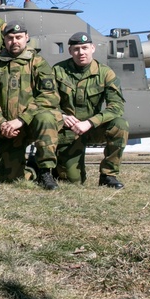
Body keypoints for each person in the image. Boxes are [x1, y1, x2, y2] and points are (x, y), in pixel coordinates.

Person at [0, 22, 61, 189]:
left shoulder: (38, 62)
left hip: (32, 123)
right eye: (10, 38)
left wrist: (22, 119)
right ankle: (31, 170)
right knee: (9, 177)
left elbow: (49, 96)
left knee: (47, 118)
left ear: (26, 38)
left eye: (19, 37)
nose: (15, 41)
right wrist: (1, 122)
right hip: (6, 128)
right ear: (4, 40)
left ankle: (45, 171)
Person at [53, 32, 128, 189]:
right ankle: (57, 167)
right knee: (73, 181)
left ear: (92, 48)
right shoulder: (58, 71)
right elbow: (47, 101)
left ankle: (108, 175)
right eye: (76, 49)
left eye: (85, 48)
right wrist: (62, 116)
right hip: (68, 130)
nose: (81, 52)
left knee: (120, 125)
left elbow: (116, 106)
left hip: (94, 128)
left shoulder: (105, 73)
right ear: (70, 51)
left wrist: (90, 122)